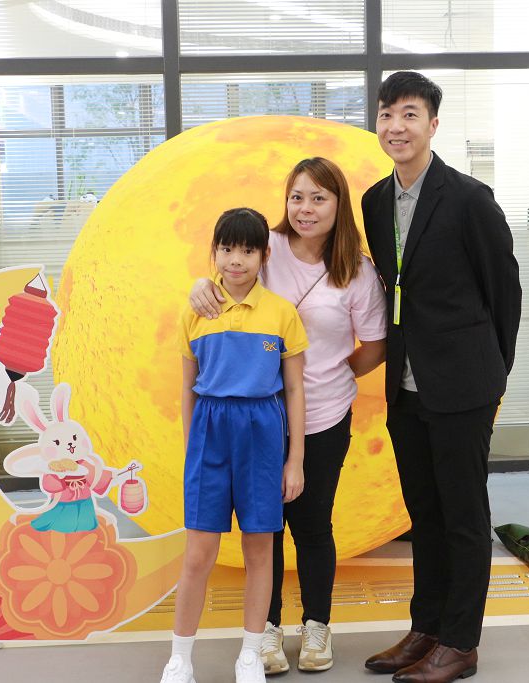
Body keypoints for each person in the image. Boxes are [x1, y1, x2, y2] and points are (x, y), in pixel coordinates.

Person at [189, 158, 387, 674]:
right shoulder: (268, 246)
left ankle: (317, 625)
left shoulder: (357, 269)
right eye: (297, 197)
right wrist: (198, 286)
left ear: (339, 205)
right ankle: (268, 630)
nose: (306, 208)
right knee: (265, 527)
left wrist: (334, 371)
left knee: (313, 523)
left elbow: (375, 345)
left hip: (323, 414)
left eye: (319, 198)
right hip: (259, 416)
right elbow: (227, 276)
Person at [360, 72, 522, 683]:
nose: (396, 126)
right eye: (386, 115)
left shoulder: (470, 199)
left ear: (432, 124)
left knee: (463, 519)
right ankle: (425, 629)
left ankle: (460, 643)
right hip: (405, 384)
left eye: (409, 114)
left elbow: (504, 290)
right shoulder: (375, 201)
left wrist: (492, 373)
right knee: (423, 516)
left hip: (462, 385)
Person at [161, 208, 309, 683]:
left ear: (265, 256)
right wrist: (192, 448)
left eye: (248, 250)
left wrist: (295, 460)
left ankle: (249, 654)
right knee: (198, 553)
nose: (236, 260)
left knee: (259, 549)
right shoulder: (196, 310)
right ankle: (179, 658)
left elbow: (295, 390)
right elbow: (187, 387)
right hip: (210, 430)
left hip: (262, 431)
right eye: (227, 249)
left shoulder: (281, 313)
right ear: (215, 251)